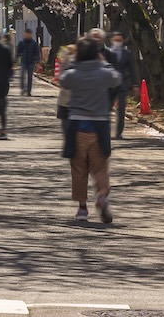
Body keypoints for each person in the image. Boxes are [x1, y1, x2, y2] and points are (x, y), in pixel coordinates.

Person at [58, 37, 121, 222]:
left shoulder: (74, 72)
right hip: (100, 125)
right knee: (100, 167)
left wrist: (71, 63)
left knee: (78, 168)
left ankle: (82, 208)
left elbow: (63, 81)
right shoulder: (103, 72)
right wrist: (104, 64)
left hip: (77, 124)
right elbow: (116, 79)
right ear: (97, 53)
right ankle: (102, 195)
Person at [107, 31, 139, 138]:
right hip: (109, 85)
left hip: (122, 84)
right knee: (106, 109)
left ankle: (119, 133)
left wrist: (135, 84)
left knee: (121, 110)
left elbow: (132, 69)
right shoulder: (107, 53)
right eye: (116, 40)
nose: (118, 42)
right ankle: (105, 131)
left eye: (120, 40)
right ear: (111, 40)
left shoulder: (127, 54)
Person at [16, 28, 39, 96]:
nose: (26, 35)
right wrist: (16, 60)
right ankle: (23, 89)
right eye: (26, 34)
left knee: (30, 77)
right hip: (23, 61)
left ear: (31, 35)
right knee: (22, 75)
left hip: (31, 62)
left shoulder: (34, 43)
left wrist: (37, 61)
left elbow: (37, 53)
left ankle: (29, 91)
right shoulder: (21, 42)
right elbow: (18, 52)